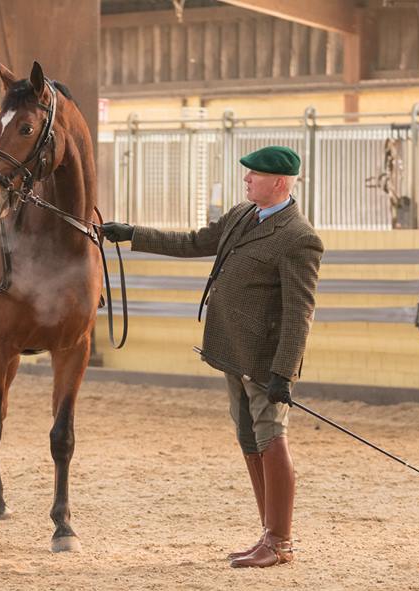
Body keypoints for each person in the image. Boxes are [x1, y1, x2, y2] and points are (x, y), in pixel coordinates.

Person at [102, 146, 323, 568]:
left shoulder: (299, 237)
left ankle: (280, 542)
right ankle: (267, 534)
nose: (246, 181)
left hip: (264, 359)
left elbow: (300, 311)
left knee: (272, 436)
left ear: (279, 183)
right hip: (230, 349)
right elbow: (194, 242)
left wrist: (284, 373)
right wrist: (132, 233)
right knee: (248, 437)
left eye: (253, 176)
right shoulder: (242, 215)